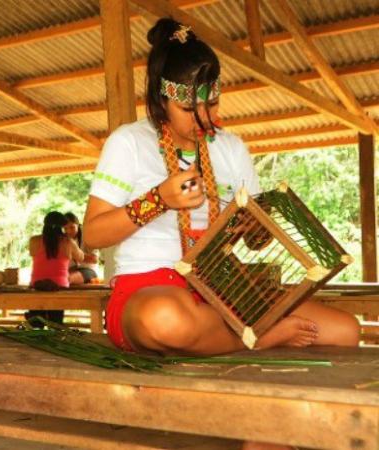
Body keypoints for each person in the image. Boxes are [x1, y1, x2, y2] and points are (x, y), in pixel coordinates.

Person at [83, 19, 360, 450]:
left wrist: (254, 229)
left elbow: (253, 241)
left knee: (344, 332)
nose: (208, 120)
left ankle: (257, 399)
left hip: (224, 290)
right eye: (192, 110)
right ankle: (261, 337)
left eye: (213, 105)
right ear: (162, 100)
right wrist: (159, 199)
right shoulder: (129, 143)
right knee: (165, 320)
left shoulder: (231, 148)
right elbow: (92, 234)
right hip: (150, 290)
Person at [26, 211, 84, 327]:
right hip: (59, 286)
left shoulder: (34, 240)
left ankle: (36, 323)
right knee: (56, 322)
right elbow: (81, 257)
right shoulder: (68, 242)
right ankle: (55, 326)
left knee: (36, 321)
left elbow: (33, 254)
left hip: (37, 284)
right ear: (62, 227)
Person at [64, 212, 99, 285]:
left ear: (78, 224)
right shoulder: (63, 238)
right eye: (65, 228)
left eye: (72, 227)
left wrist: (76, 254)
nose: (68, 231)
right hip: (70, 270)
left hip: (88, 271)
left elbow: (94, 259)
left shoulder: (87, 235)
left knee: (67, 279)